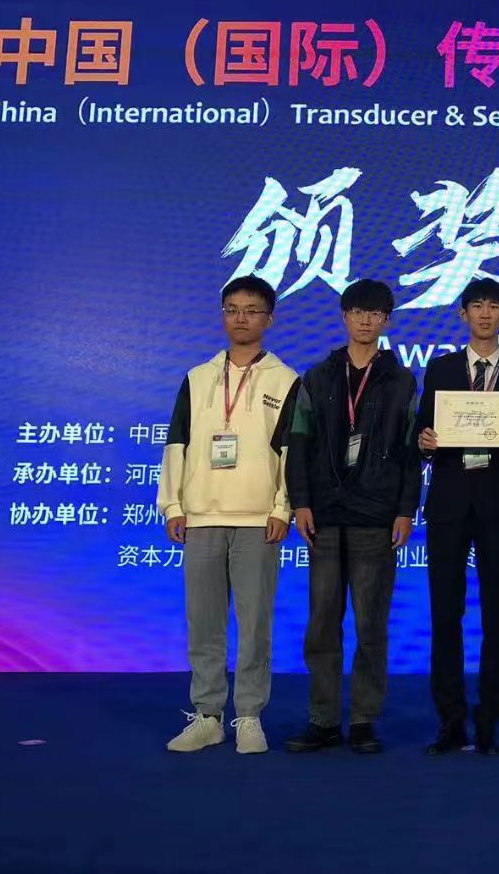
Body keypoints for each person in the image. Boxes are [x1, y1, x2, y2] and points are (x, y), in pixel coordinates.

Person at [159, 275, 299, 755]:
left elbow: (292, 451)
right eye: (233, 309)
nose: (241, 318)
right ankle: (208, 715)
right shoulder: (198, 378)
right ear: (223, 315)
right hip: (201, 516)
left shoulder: (285, 380)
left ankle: (250, 716)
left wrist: (282, 506)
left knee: (255, 623)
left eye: (252, 310)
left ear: (269, 319)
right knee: (204, 622)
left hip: (259, 519)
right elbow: (176, 443)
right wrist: (173, 504)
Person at [283, 279, 421, 755]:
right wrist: (300, 501)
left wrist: (406, 509)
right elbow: (298, 443)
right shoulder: (317, 377)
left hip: (376, 516)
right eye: (358, 312)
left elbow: (411, 452)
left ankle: (363, 719)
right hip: (324, 515)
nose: (365, 320)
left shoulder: (402, 381)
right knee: (322, 621)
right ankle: (323, 719)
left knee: (370, 623)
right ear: (344, 316)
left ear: (386, 320)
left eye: (375, 313)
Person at [414, 278, 499, 756]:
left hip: (497, 505)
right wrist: (425, 442)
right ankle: (450, 721)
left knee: (498, 615)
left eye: (494, 306)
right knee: (445, 613)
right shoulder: (441, 368)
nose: (485, 314)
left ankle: (489, 721)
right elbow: (421, 431)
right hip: (448, 504)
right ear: (463, 314)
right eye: (477, 306)